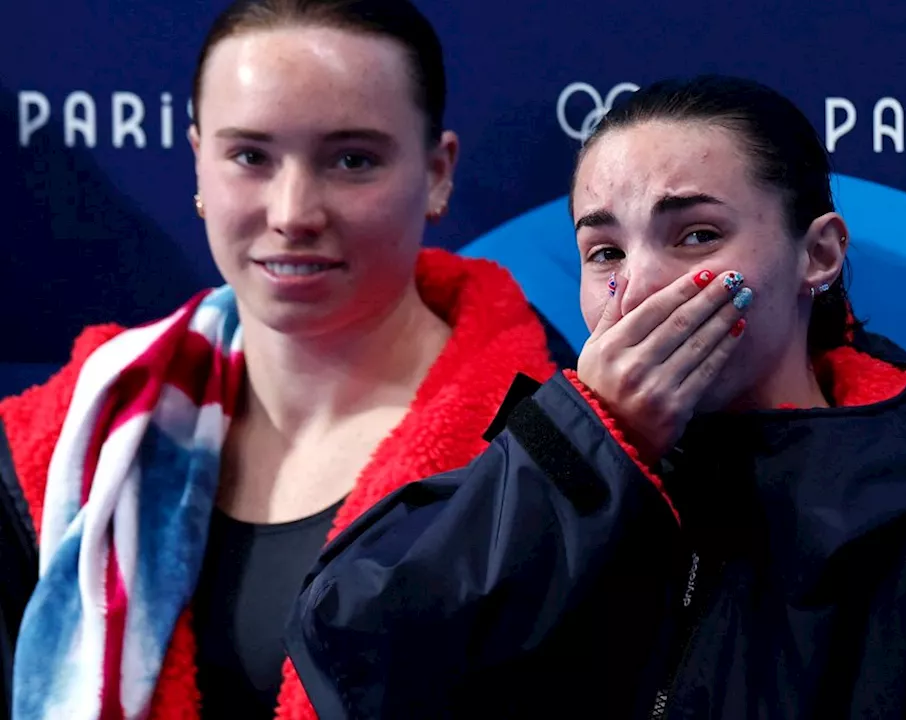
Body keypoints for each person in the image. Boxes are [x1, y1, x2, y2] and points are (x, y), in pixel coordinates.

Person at [284, 75, 906, 719]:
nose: (641, 288)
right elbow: (349, 659)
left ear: (818, 257)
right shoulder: (531, 482)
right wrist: (592, 442)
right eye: (605, 253)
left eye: (695, 235)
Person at [0, 1, 574, 718]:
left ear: (437, 174)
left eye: (352, 160)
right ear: (199, 165)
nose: (294, 212)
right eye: (250, 157)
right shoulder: (72, 442)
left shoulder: (543, 454)